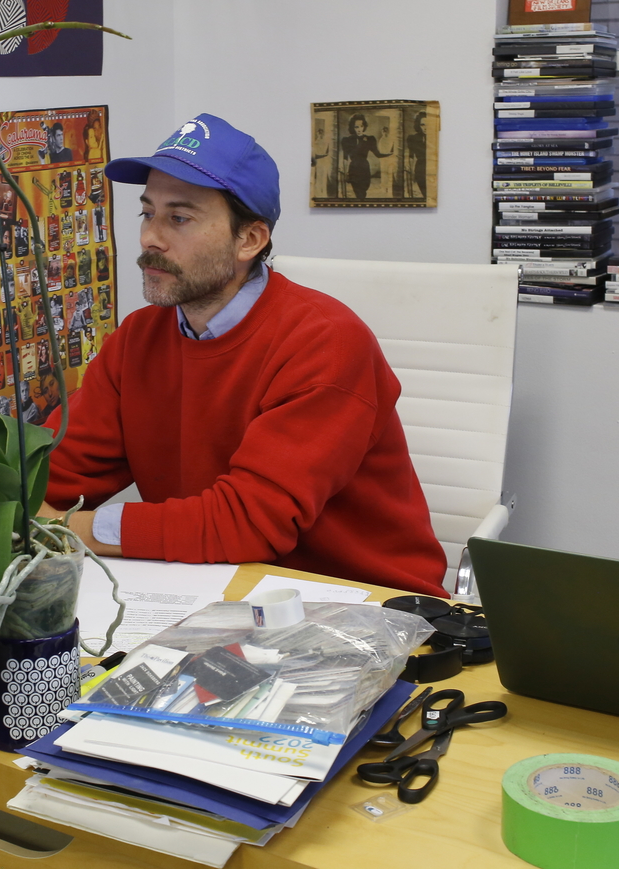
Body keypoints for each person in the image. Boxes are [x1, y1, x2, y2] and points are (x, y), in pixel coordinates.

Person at [41, 113, 446, 595]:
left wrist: (75, 530)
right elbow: (48, 475)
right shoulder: (138, 339)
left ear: (249, 240)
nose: (151, 237)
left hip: (359, 602)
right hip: (214, 591)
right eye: (147, 213)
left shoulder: (325, 342)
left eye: (180, 218)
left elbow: (247, 524)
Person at [339, 113, 393, 200]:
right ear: (352, 127)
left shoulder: (369, 139)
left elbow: (378, 154)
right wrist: (345, 172)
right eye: (356, 127)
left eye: (361, 126)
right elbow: (345, 158)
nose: (359, 129)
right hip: (354, 168)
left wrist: (389, 153)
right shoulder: (347, 140)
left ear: (364, 126)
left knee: (364, 190)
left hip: (365, 167)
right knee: (358, 192)